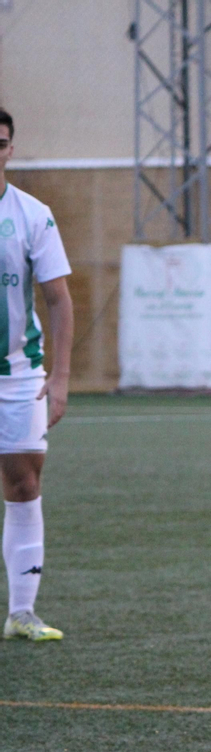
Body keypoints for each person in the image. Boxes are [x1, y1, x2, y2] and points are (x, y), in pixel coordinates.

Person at [0, 108, 74, 642]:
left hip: (18, 375)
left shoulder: (32, 214)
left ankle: (21, 612)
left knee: (24, 483)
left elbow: (58, 299)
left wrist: (62, 375)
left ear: (10, 148)